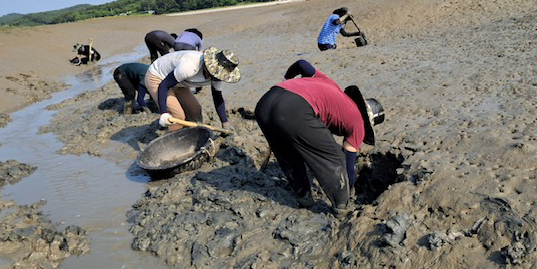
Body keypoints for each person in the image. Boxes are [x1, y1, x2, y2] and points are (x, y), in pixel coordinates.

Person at [254, 59, 384, 218]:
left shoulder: (328, 83)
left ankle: (305, 199)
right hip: (294, 109)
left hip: (265, 103)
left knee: (288, 153)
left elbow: (302, 64)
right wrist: (349, 188)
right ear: (368, 120)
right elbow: (348, 161)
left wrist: (288, 78)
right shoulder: (358, 123)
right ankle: (341, 208)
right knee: (336, 158)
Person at [145, 47, 241, 132]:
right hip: (158, 77)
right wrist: (164, 112)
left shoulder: (216, 77)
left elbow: (217, 97)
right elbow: (164, 85)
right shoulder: (190, 66)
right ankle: (171, 144)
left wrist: (225, 122)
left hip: (179, 83)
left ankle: (189, 136)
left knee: (195, 111)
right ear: (208, 68)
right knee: (177, 116)